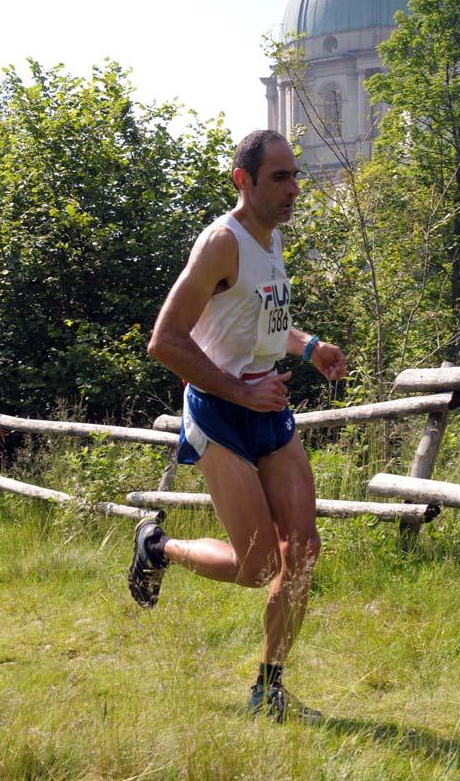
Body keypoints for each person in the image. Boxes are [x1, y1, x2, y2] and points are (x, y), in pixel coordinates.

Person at [128, 130, 346, 722]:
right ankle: (158, 547)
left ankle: (268, 688)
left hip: (265, 407)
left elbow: (261, 328)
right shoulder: (222, 242)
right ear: (242, 180)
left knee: (301, 550)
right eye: (279, 177)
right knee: (257, 569)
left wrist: (309, 348)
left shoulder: (270, 242)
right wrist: (241, 392)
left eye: (294, 175)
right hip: (221, 412)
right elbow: (164, 341)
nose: (294, 188)